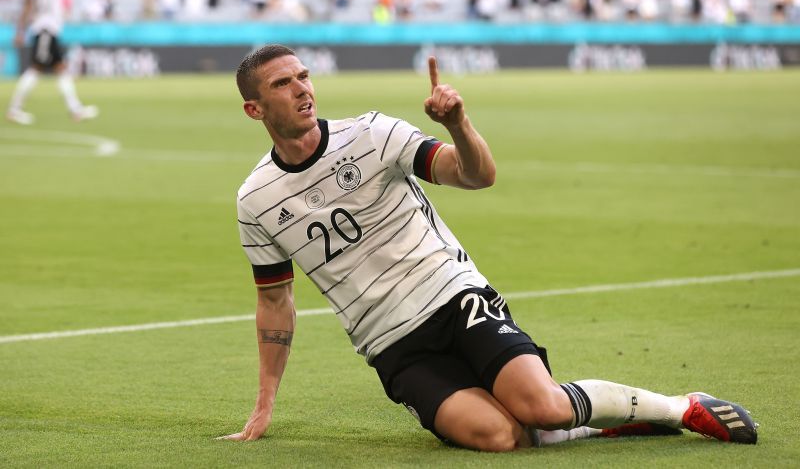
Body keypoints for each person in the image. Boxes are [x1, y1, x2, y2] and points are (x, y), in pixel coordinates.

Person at [221, 44, 757, 450]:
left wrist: (457, 124)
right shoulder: (256, 200)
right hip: (392, 347)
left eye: (304, 76)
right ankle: (601, 418)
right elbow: (275, 302)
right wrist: (264, 404)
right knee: (501, 437)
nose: (302, 89)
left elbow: (476, 175)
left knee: (540, 406)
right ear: (254, 109)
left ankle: (678, 407)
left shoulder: (373, 135)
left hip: (454, 298)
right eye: (283, 83)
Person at [6, 0, 98, 126]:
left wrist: (20, 31)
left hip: (47, 29)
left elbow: (27, 7)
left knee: (60, 68)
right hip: (45, 29)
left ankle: (75, 109)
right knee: (36, 68)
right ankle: (14, 108)